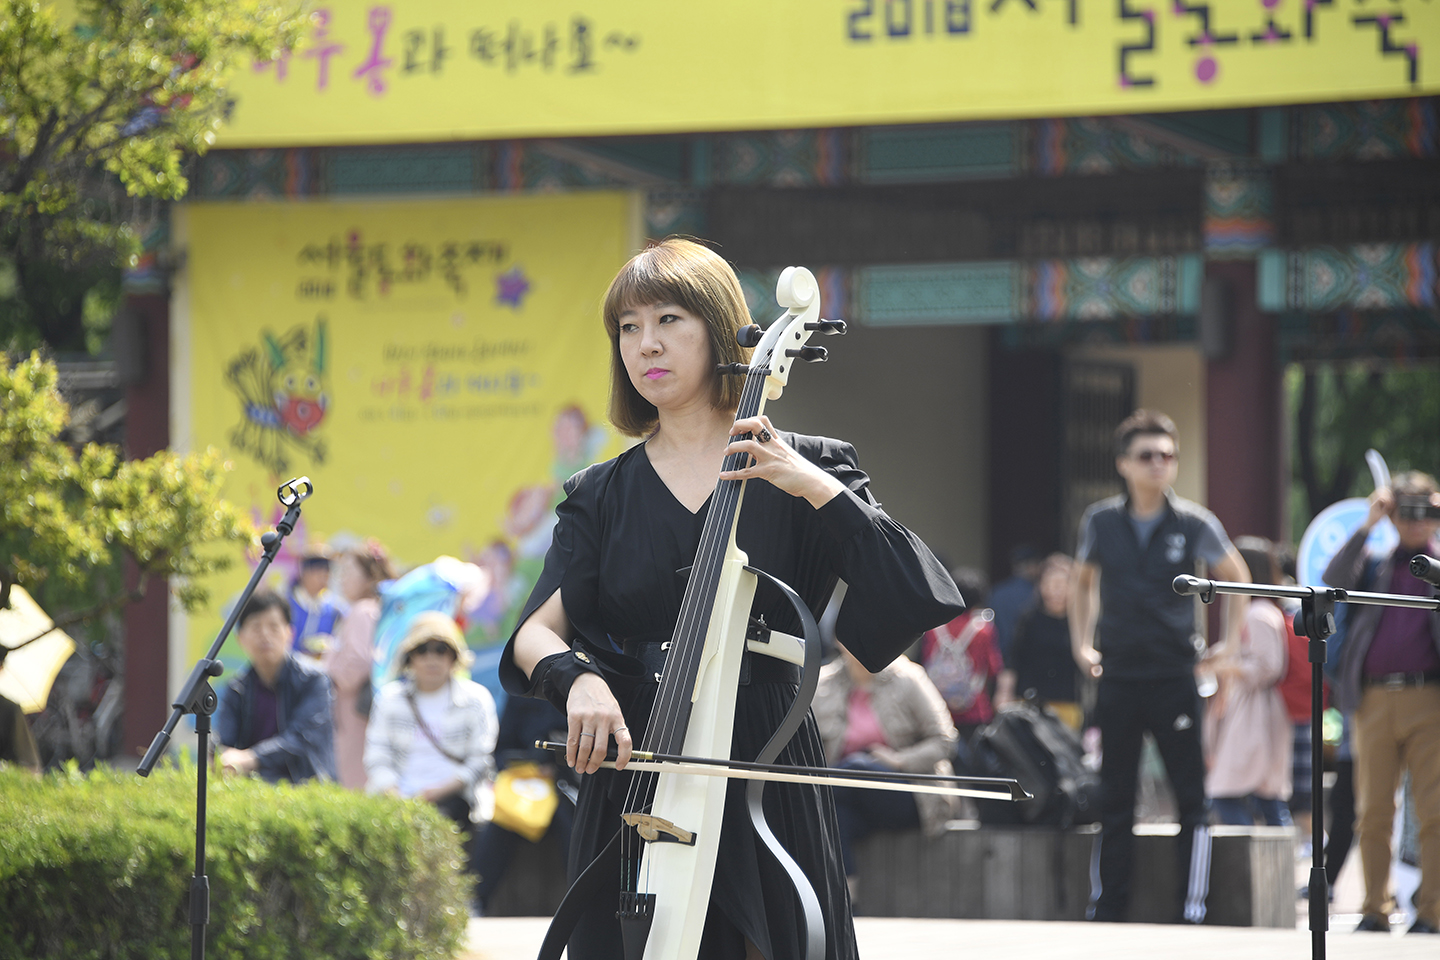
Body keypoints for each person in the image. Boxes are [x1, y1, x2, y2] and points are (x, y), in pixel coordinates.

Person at [499, 238, 963, 960]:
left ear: (720, 331)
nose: (645, 344)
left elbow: (912, 589)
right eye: (628, 327)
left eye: (669, 320)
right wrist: (578, 680)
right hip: (638, 766)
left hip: (763, 764)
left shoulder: (814, 467)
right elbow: (535, 632)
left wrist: (810, 485)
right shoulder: (601, 494)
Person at [1070, 408, 1250, 925]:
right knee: (1115, 798)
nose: (1159, 464)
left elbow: (1233, 575)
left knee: (1191, 799)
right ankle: (1107, 909)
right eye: (1147, 455)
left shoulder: (1193, 521)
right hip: (1119, 673)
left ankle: (1191, 910)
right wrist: (1082, 646)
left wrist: (1229, 645)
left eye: (1167, 456)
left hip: (1176, 674)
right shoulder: (1100, 520)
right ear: (1123, 464)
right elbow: (1082, 583)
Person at [1324, 470, 1440, 935]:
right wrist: (1369, 523)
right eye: (1407, 511)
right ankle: (1375, 906)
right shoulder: (1375, 563)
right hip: (1372, 699)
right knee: (1371, 811)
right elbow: (1331, 580)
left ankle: (1432, 909)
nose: (1417, 522)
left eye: (1428, 512)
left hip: (1429, 697)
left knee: (1434, 810)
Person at [811, 642, 958, 908]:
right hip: (846, 795)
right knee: (834, 813)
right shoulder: (822, 681)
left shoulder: (909, 677)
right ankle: (846, 902)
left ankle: (807, 797)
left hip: (909, 792)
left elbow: (945, 741)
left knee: (853, 769)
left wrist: (900, 760)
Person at [365, 612, 498, 887]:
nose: (431, 658)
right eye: (422, 650)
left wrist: (434, 793)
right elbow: (376, 756)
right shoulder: (389, 699)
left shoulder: (476, 699)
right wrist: (396, 795)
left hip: (454, 797)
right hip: (394, 797)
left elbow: (480, 760)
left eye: (441, 649)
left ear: (454, 657)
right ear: (409, 658)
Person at [1205, 537, 1293, 827]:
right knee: (1263, 797)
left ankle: (1254, 860)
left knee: (1229, 793)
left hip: (1256, 711)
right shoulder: (1263, 611)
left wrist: (1228, 665)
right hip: (1252, 710)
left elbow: (1268, 666)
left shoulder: (1257, 613)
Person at [215, 588, 337, 782]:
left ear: (290, 633)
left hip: (305, 789)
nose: (265, 635)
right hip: (251, 793)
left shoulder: (314, 680)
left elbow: (301, 738)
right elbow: (224, 743)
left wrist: (251, 758)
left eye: (273, 627)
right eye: (255, 627)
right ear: (240, 638)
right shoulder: (236, 689)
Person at [471, 695, 579, 915]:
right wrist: (528, 764)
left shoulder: (581, 689)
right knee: (501, 823)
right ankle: (474, 901)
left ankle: (584, 903)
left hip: (567, 787)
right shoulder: (520, 692)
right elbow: (502, 750)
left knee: (574, 828)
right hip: (527, 787)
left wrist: (557, 767)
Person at [322, 540, 396, 789]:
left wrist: (326, 670)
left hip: (352, 711)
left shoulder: (362, 611)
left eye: (349, 572)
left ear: (369, 576)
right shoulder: (374, 609)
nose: (342, 579)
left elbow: (358, 663)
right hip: (360, 710)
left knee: (352, 778)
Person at [996, 553, 1083, 730]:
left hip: (1068, 704)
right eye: (1050, 585)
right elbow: (1013, 659)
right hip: (1030, 703)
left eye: (1061, 585)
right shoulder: (1029, 618)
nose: (1055, 591)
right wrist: (1003, 693)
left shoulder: (1080, 622)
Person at [920, 568, 1004, 743]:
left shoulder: (935, 627)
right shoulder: (983, 630)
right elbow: (992, 668)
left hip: (938, 705)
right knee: (973, 763)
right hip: (974, 707)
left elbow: (926, 660)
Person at [988, 544, 1041, 663]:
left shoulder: (997, 592)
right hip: (1027, 659)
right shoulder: (1036, 594)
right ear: (1031, 566)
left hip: (999, 656)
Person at [288, 546, 343, 661]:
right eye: (319, 575)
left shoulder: (335, 608)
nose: (324, 580)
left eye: (326, 575)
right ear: (304, 573)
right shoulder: (287, 602)